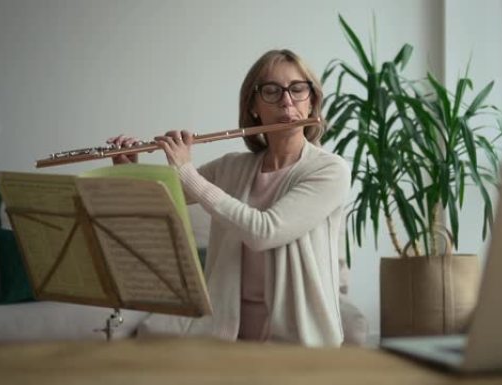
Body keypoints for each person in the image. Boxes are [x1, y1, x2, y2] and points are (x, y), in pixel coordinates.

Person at [108, 49, 352, 347]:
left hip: (299, 346)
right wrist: (131, 170)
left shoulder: (329, 170)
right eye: (272, 91)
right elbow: (159, 197)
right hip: (226, 339)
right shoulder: (232, 167)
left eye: (298, 89)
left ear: (312, 101)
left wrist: (186, 170)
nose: (287, 101)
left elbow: (264, 231)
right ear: (253, 106)